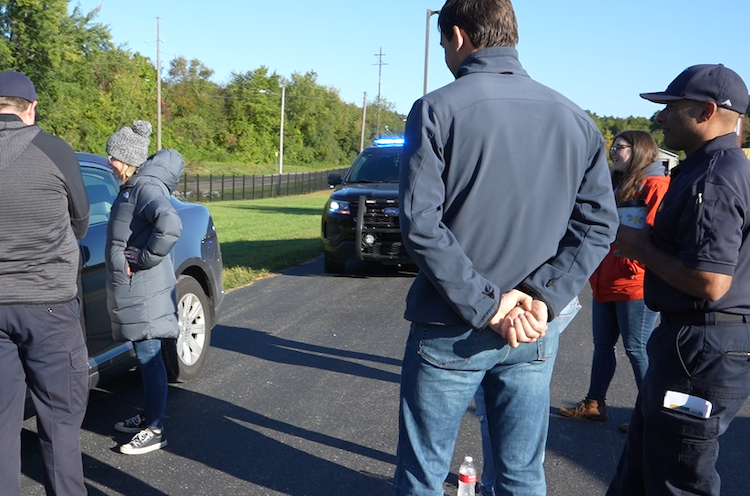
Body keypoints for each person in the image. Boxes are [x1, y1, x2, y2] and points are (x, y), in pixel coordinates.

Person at [392, 1, 618, 495]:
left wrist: (491, 304)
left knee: (424, 473)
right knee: (521, 473)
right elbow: (598, 224)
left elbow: (420, 224)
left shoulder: (435, 108)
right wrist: (542, 297)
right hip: (535, 327)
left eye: (442, 42)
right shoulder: (576, 119)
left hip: (453, 324)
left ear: (457, 35)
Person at [606, 64, 750, 496]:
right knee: (645, 464)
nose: (661, 117)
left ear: (707, 110)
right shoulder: (704, 169)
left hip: (701, 346)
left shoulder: (716, 177)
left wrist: (641, 248)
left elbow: (710, 282)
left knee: (677, 478)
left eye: (672, 107)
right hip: (692, 343)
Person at [0, 70, 90, 495]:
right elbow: (81, 222)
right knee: (59, 425)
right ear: (30, 108)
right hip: (49, 306)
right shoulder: (54, 150)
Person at [559, 131, 669, 423]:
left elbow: (660, 234)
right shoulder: (615, 184)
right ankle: (594, 404)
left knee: (637, 349)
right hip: (605, 279)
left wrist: (635, 262)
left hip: (635, 283)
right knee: (603, 346)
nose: (613, 152)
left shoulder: (657, 185)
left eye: (620, 147)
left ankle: (651, 417)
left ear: (640, 151)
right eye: (614, 146)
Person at [104, 120, 183, 455]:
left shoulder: (143, 188)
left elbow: (170, 223)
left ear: (126, 159)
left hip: (146, 290)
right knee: (146, 356)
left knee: (150, 359)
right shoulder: (133, 186)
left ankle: (155, 429)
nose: (109, 162)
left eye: (112, 156)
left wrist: (144, 258)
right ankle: (150, 415)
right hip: (140, 291)